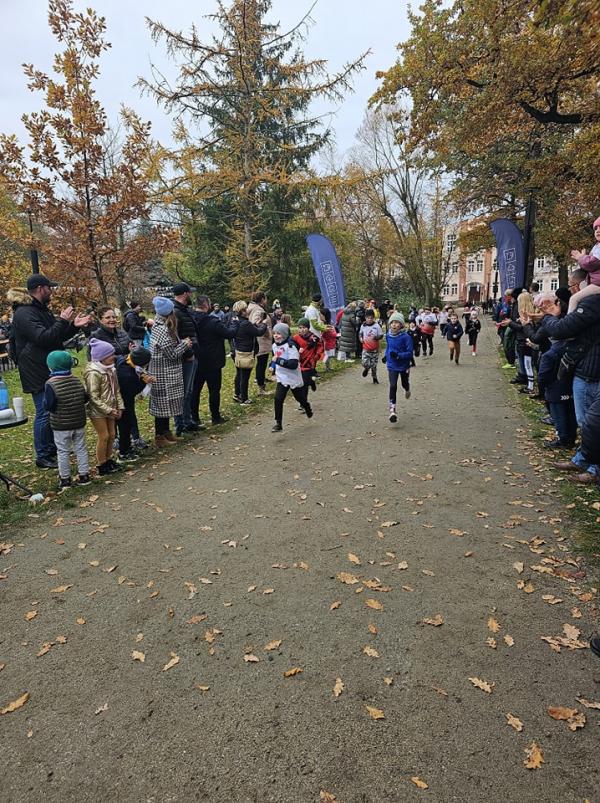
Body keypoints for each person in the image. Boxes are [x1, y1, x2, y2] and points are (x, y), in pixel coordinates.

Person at [10, 274, 90, 469]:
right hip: (35, 368)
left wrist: (72, 326)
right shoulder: (24, 313)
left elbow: (55, 336)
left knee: (54, 408)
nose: (52, 291)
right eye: (49, 287)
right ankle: (43, 455)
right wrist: (61, 320)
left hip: (47, 365)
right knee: (44, 411)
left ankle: (53, 448)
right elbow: (43, 337)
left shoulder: (40, 310)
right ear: (40, 288)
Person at [542, 294, 600, 484]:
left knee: (590, 424)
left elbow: (560, 330)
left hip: (590, 372)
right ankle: (583, 460)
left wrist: (549, 317)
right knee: (585, 422)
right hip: (585, 371)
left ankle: (593, 468)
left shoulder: (592, 302)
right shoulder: (589, 301)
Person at [149, 296, 193, 447]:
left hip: (165, 372)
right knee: (161, 406)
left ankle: (166, 432)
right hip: (163, 374)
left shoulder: (160, 325)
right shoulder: (162, 330)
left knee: (165, 405)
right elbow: (172, 354)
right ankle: (159, 436)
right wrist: (185, 344)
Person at [44, 350, 90, 489]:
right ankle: (84, 475)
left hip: (61, 424)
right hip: (78, 421)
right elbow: (85, 398)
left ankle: (65, 479)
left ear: (51, 367)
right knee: (81, 448)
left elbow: (49, 405)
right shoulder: (76, 380)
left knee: (63, 451)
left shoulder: (51, 384)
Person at [192, 295, 239, 425]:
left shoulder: (190, 319)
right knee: (214, 389)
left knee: (195, 390)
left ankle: (194, 418)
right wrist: (235, 323)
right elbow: (229, 333)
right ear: (206, 305)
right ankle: (215, 417)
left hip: (196, 358)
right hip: (213, 360)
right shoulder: (212, 321)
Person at [84, 338, 124, 476]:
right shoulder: (93, 373)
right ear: (101, 357)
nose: (113, 357)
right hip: (97, 410)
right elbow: (93, 396)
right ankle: (102, 463)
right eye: (110, 355)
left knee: (112, 435)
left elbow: (116, 390)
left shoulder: (111, 370)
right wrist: (108, 410)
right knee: (104, 435)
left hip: (111, 407)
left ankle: (108, 459)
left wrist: (119, 407)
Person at [270, 322, 313, 432]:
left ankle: (306, 406)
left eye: (278, 333)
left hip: (292, 377)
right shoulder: (274, 345)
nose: (275, 336)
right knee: (278, 399)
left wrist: (278, 361)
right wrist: (272, 367)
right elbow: (275, 357)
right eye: (274, 333)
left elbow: (293, 364)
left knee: (299, 398)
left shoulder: (290, 346)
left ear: (284, 334)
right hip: (282, 377)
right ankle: (278, 423)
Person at [116, 346, 155, 461]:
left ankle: (128, 446)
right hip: (122, 402)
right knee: (125, 425)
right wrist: (145, 382)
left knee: (129, 422)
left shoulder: (126, 361)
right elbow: (133, 391)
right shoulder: (126, 374)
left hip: (126, 401)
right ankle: (124, 452)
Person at [172, 282, 201, 435]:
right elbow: (175, 336)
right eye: (190, 293)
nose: (191, 295)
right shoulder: (176, 312)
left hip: (192, 353)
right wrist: (187, 353)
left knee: (188, 391)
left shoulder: (184, 310)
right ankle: (181, 424)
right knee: (182, 392)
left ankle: (188, 421)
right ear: (185, 293)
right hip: (185, 357)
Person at [231, 300, 267, 405]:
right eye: (245, 309)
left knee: (239, 374)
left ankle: (237, 394)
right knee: (245, 376)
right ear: (242, 310)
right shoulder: (245, 323)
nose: (247, 310)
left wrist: (255, 324)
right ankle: (244, 398)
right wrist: (264, 324)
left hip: (237, 351)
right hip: (246, 352)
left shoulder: (236, 321)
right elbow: (259, 332)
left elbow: (249, 329)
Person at [383, 312, 413, 423]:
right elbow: (388, 348)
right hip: (392, 365)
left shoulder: (406, 337)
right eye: (392, 323)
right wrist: (386, 356)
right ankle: (392, 410)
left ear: (401, 325)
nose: (394, 325)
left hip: (404, 365)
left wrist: (399, 356)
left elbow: (410, 353)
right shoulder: (388, 335)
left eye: (397, 323)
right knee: (393, 386)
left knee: (404, 383)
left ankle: (407, 388)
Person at [568, 215, 600, 312]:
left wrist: (580, 257)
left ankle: (570, 319)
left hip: (598, 284)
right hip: (596, 282)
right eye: (596, 229)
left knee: (574, 299)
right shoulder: (597, 246)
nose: (598, 231)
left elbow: (590, 263)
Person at [247, 291, 274, 397]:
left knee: (261, 363)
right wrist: (266, 330)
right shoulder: (258, 310)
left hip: (260, 340)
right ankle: (261, 387)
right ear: (262, 299)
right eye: (265, 298)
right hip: (262, 340)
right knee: (261, 363)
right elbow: (256, 323)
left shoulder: (252, 308)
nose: (266, 301)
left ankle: (261, 380)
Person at [293, 317, 323, 403]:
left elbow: (320, 346)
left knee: (304, 384)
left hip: (309, 363)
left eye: (304, 328)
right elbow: (291, 347)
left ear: (308, 328)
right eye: (300, 328)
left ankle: (303, 402)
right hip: (299, 362)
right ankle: (311, 382)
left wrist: (317, 355)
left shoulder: (313, 338)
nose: (302, 330)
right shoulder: (295, 338)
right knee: (301, 383)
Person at [359, 308, 384, 384]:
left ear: (374, 318)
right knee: (364, 363)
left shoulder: (377, 326)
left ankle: (374, 378)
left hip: (374, 350)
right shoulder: (363, 326)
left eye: (371, 318)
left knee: (374, 366)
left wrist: (377, 337)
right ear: (365, 318)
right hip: (366, 349)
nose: (369, 319)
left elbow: (381, 335)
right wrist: (361, 338)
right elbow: (360, 334)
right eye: (368, 318)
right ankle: (366, 368)